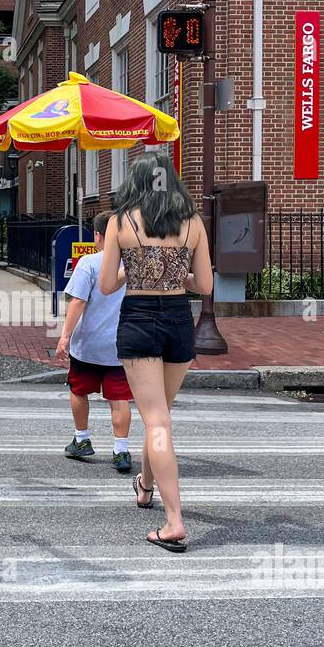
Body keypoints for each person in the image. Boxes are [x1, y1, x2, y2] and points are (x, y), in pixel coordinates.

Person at [100, 153, 213, 552]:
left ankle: (174, 521)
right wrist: (171, 271)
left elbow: (106, 285)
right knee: (160, 415)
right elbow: (204, 284)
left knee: (156, 421)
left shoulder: (121, 221)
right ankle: (145, 485)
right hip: (179, 320)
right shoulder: (193, 222)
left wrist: (137, 268)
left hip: (139, 319)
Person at [55, 209, 134, 474]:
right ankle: (121, 450)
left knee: (78, 390)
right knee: (119, 398)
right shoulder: (133, 264)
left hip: (88, 344)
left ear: (98, 236)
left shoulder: (89, 264)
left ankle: (81, 438)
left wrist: (65, 335)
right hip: (120, 345)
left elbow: (78, 302)